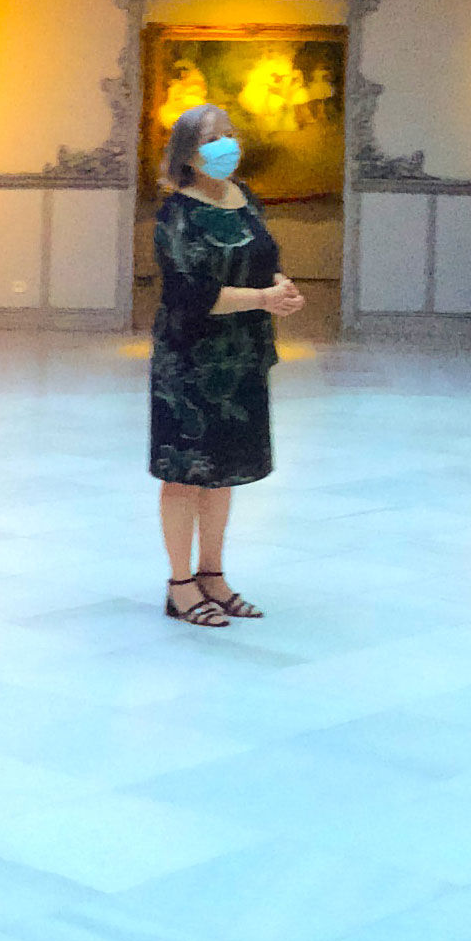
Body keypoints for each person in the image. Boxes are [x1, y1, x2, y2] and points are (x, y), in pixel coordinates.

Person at [149, 102, 304, 626]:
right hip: (190, 360)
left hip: (242, 355)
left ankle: (212, 574)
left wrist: (281, 288)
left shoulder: (245, 198)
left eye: (231, 134)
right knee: (185, 473)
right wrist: (262, 299)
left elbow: (263, 262)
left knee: (223, 472)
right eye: (213, 138)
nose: (227, 145)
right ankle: (180, 585)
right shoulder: (176, 214)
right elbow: (189, 293)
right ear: (188, 153)